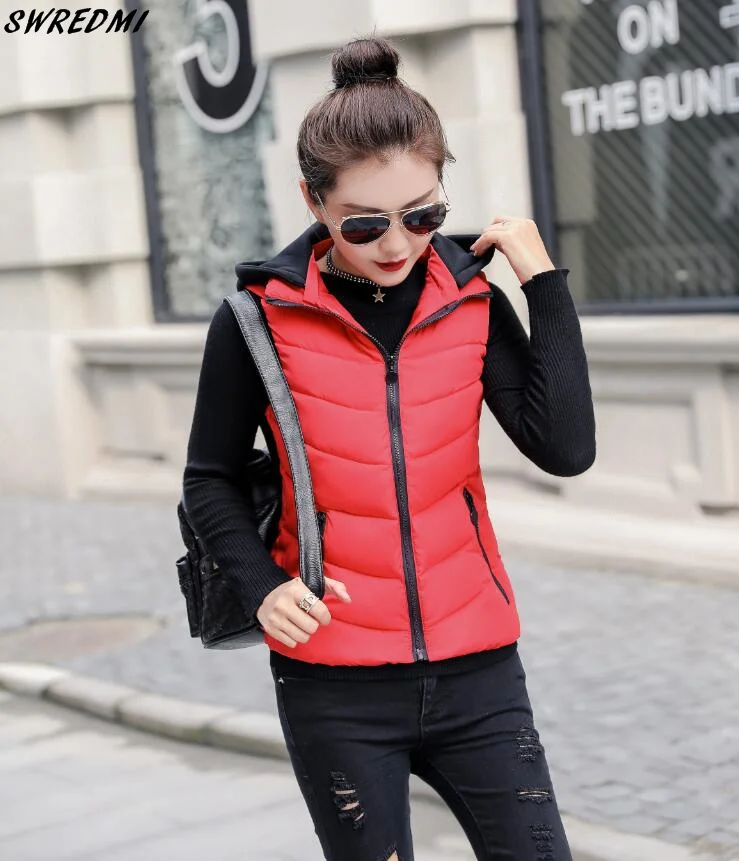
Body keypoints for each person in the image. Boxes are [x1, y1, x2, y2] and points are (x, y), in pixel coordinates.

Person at [183, 35, 595, 861]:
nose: (399, 244)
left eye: (424, 214)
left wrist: (544, 284)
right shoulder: (256, 321)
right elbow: (210, 478)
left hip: (479, 668)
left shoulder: (470, 297)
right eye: (365, 223)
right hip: (334, 681)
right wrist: (263, 588)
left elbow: (565, 448)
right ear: (313, 200)